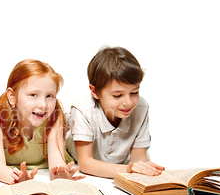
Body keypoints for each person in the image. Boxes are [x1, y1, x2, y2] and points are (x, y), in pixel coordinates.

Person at [66, 46, 165, 178]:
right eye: (118, 95)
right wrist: (128, 170)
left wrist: (147, 170)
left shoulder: (141, 108)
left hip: (121, 166)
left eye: (134, 92)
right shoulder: (83, 110)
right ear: (95, 92)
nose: (128, 102)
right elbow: (85, 163)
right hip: (76, 160)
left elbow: (138, 159)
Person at [0, 59, 85, 184]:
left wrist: (59, 174)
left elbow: (56, 162)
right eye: (33, 95)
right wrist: (17, 179)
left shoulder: (55, 116)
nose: (43, 104)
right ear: (12, 96)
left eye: (49, 96)